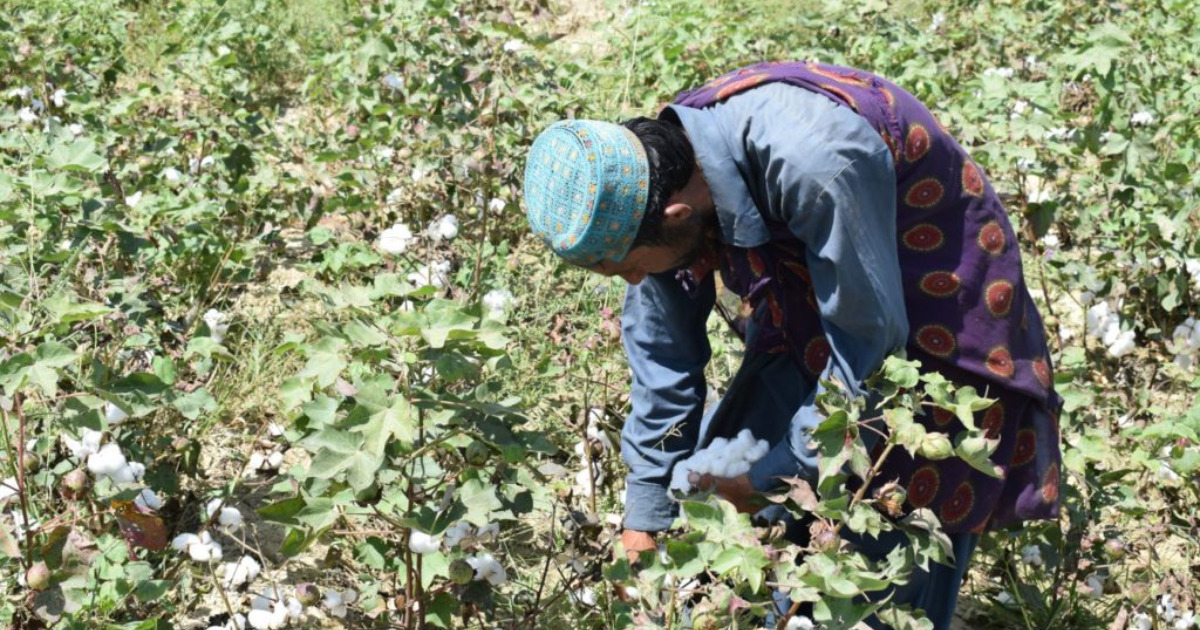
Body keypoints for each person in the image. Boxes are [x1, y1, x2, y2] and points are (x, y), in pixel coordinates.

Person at [522, 61, 1062, 629]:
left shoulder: (815, 162)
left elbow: (869, 351)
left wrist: (771, 478)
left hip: (928, 310)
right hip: (813, 309)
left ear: (676, 217)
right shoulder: (656, 177)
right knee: (732, 540)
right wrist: (646, 510)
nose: (634, 281)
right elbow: (663, 353)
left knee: (883, 530)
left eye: (630, 268)